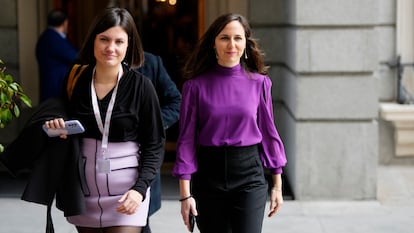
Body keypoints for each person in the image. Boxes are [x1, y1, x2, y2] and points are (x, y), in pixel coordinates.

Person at [44, 7, 165, 233]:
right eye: (104, 39)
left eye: (119, 41)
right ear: (93, 41)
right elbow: (59, 115)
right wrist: (58, 126)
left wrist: (140, 190)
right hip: (84, 192)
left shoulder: (142, 87)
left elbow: (155, 144)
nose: (111, 48)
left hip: (127, 194)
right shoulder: (76, 81)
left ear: (129, 45)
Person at [172, 13, 287, 233]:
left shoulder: (260, 84)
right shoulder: (195, 87)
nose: (231, 44)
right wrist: (185, 195)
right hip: (208, 176)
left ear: (246, 43)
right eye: (224, 37)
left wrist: (277, 186)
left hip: (249, 176)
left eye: (238, 38)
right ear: (214, 43)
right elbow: (186, 141)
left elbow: (270, 134)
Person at [136, 52, 181, 233]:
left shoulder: (150, 63)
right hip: (100, 170)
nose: (111, 47)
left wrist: (151, 124)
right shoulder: (88, 65)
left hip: (141, 163)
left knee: (140, 224)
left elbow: (176, 102)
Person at [36, 9, 78, 102]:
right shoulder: (55, 39)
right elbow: (75, 57)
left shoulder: (45, 36)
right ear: (64, 23)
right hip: (56, 88)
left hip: (48, 86)